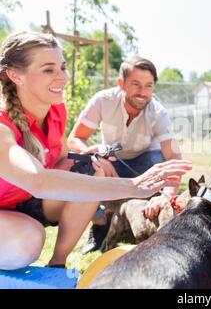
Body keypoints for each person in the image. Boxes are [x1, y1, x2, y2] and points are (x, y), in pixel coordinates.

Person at [0, 31, 192, 270]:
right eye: (48, 70)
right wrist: (133, 186)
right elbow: (38, 180)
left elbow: (59, 160)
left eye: (62, 67)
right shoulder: (2, 126)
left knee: (91, 167)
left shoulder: (56, 111)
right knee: (28, 241)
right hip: (11, 206)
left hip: (26, 201)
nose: (62, 77)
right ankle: (101, 219)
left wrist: (86, 158)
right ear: (15, 75)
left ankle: (57, 264)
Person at [67, 56, 183, 253]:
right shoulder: (103, 100)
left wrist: (168, 195)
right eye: (136, 84)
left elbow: (173, 157)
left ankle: (143, 224)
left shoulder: (158, 112)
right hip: (111, 161)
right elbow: (75, 138)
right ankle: (99, 223)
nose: (142, 92)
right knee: (81, 165)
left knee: (158, 161)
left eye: (148, 86)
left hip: (145, 164)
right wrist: (95, 157)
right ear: (121, 84)